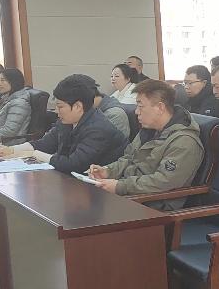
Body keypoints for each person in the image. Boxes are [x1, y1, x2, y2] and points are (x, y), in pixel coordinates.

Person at [88, 80, 205, 211]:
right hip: (132, 196)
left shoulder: (184, 142)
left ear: (160, 108)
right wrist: (108, 171)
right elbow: (128, 158)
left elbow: (163, 182)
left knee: (92, 211)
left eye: (140, 106)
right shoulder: (149, 130)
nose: (136, 112)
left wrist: (120, 186)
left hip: (154, 207)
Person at [0, 75, 127, 173]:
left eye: (60, 106)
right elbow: (45, 144)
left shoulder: (98, 129)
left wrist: (34, 154)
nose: (56, 111)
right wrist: (11, 150)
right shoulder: (67, 121)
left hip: (97, 189)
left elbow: (74, 165)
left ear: (77, 106)